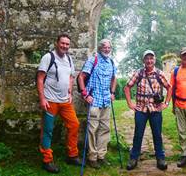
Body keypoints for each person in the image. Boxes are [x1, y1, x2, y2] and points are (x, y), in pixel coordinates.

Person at [37, 34, 81, 174]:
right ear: (57, 43)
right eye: (62, 43)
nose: (65, 46)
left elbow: (70, 76)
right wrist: (42, 98)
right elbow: (40, 78)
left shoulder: (68, 59)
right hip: (50, 101)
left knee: (74, 125)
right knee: (48, 130)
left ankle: (72, 155)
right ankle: (47, 160)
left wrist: (69, 92)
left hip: (65, 101)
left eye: (67, 44)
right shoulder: (48, 57)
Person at [124, 50, 172, 171]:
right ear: (143, 60)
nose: (149, 61)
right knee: (138, 135)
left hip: (155, 109)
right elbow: (127, 87)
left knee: (157, 135)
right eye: (147, 58)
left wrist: (166, 103)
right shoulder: (138, 73)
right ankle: (133, 158)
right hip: (141, 109)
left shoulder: (159, 74)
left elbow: (169, 87)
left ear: (154, 60)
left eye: (151, 58)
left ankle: (160, 158)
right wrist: (130, 103)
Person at [78, 39, 117, 169]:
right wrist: (85, 94)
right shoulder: (93, 60)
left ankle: (101, 156)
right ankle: (92, 157)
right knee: (92, 129)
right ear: (100, 48)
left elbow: (114, 78)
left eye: (109, 47)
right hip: (94, 100)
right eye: (104, 47)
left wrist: (112, 92)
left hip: (106, 100)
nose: (107, 49)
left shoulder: (111, 62)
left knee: (105, 129)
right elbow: (81, 77)